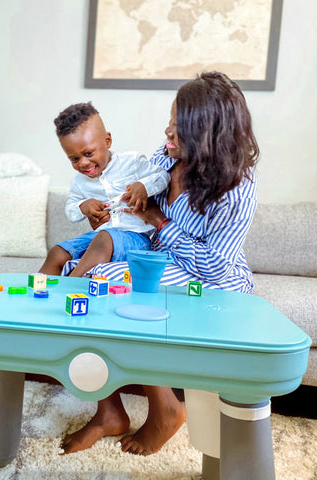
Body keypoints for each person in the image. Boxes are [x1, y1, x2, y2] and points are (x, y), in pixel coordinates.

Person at [59, 71, 260, 456]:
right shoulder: (166, 159)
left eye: (177, 131)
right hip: (162, 259)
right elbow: (131, 197)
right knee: (82, 275)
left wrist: (158, 220)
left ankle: (166, 407)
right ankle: (109, 411)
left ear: (207, 137)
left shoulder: (236, 189)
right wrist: (110, 212)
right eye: (169, 124)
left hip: (214, 281)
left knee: (118, 285)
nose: (167, 135)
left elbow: (215, 267)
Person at [39, 102, 170, 277]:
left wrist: (144, 186)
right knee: (57, 252)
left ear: (107, 141)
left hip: (136, 238)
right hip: (100, 238)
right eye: (74, 159)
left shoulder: (132, 162)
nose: (83, 163)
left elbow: (163, 176)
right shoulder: (80, 182)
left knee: (104, 238)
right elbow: (71, 209)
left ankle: (69, 288)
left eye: (88, 154)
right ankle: (33, 295)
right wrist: (83, 206)